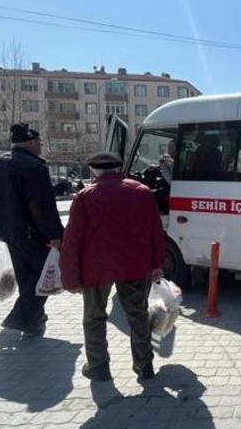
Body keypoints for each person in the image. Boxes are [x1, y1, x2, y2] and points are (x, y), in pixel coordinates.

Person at [60, 152, 165, 382]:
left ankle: (98, 368)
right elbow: (156, 231)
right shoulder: (142, 193)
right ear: (120, 168)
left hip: (96, 268)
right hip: (135, 265)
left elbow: (72, 240)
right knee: (138, 315)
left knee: (94, 317)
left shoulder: (85, 196)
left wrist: (70, 278)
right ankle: (144, 366)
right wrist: (157, 263)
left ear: (94, 171)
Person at [0, 123, 64, 337]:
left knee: (26, 276)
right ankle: (21, 317)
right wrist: (55, 235)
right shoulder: (33, 167)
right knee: (43, 276)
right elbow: (41, 205)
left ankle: (35, 319)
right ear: (30, 142)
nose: (41, 146)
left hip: (7, 232)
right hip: (32, 233)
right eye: (39, 142)